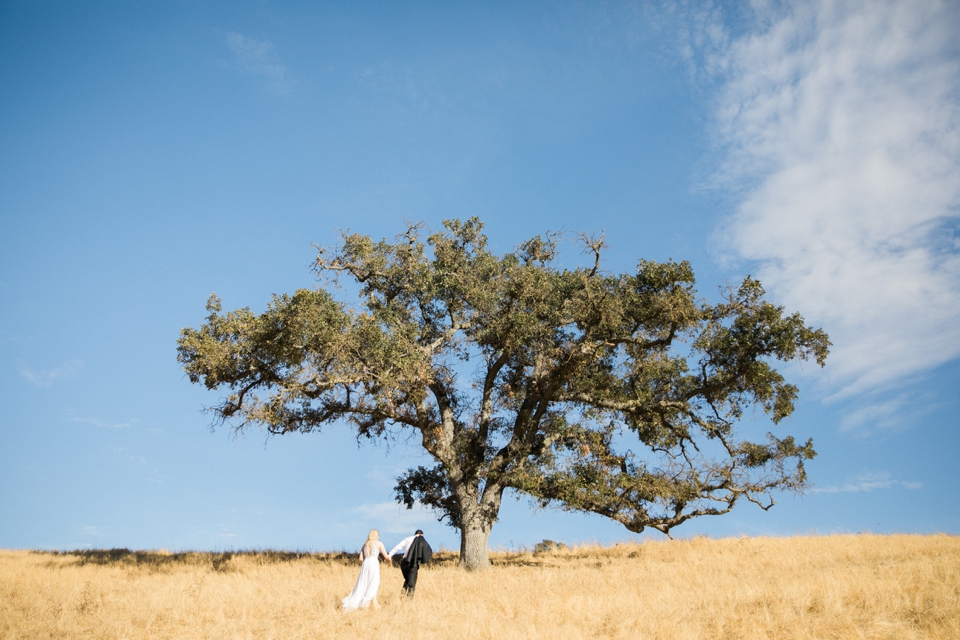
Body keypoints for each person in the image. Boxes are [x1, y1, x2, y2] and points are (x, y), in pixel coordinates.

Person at [341, 529, 391, 611]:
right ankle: (366, 604)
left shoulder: (365, 544)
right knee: (373, 583)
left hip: (366, 563)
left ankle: (374, 604)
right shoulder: (379, 543)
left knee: (363, 583)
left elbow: (360, 558)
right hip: (373, 563)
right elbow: (386, 556)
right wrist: (389, 560)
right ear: (376, 535)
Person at [388, 529, 432, 598]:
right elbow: (428, 552)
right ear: (422, 535)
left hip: (404, 563)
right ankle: (408, 602)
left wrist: (389, 555)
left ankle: (402, 596)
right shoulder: (422, 540)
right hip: (413, 564)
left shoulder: (408, 539)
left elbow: (398, 547)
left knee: (408, 580)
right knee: (412, 585)